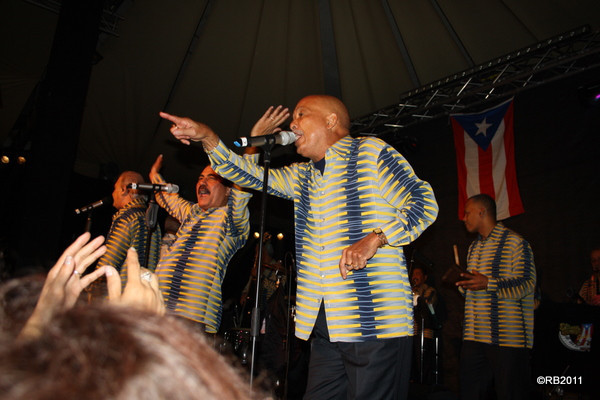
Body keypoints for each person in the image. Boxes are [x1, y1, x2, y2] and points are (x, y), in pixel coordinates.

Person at [160, 95, 439, 399]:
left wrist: (376, 237)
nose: (292, 124)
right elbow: (245, 174)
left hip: (375, 323)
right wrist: (207, 137)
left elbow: (423, 202)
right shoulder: (302, 175)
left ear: (331, 120)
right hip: (324, 325)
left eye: (302, 114)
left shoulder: (370, 153)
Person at [149, 106, 289, 334]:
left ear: (227, 191)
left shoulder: (231, 220)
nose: (202, 182)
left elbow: (243, 182)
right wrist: (154, 175)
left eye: (212, 178)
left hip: (192, 319)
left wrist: (253, 144)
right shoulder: (192, 212)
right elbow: (166, 197)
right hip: (157, 311)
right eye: (200, 178)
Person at [456, 193, 536, 400]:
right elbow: (478, 289)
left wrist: (488, 283)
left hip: (508, 339)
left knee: (510, 393)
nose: (464, 218)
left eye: (467, 213)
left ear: (482, 212)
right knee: (470, 392)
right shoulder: (474, 248)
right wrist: (464, 284)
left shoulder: (515, 243)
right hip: (474, 336)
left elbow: (527, 283)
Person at [96, 171, 161, 287]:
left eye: (115, 188)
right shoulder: (152, 221)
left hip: (121, 292)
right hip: (143, 291)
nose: (113, 193)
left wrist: (94, 284)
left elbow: (108, 263)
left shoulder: (127, 218)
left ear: (124, 190)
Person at [410, 265, 439, 384]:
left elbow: (426, 306)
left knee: (423, 362)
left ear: (425, 277)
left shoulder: (430, 290)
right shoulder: (409, 290)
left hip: (424, 332)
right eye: (413, 274)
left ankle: (424, 385)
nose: (415, 277)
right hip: (411, 332)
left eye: (418, 274)